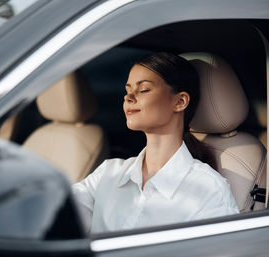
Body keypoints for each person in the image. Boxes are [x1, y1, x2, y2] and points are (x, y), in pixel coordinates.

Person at [72, 52, 239, 233]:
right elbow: (55, 211)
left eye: (143, 90)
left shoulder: (209, 190)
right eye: (127, 90)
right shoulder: (108, 173)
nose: (128, 97)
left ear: (180, 101)